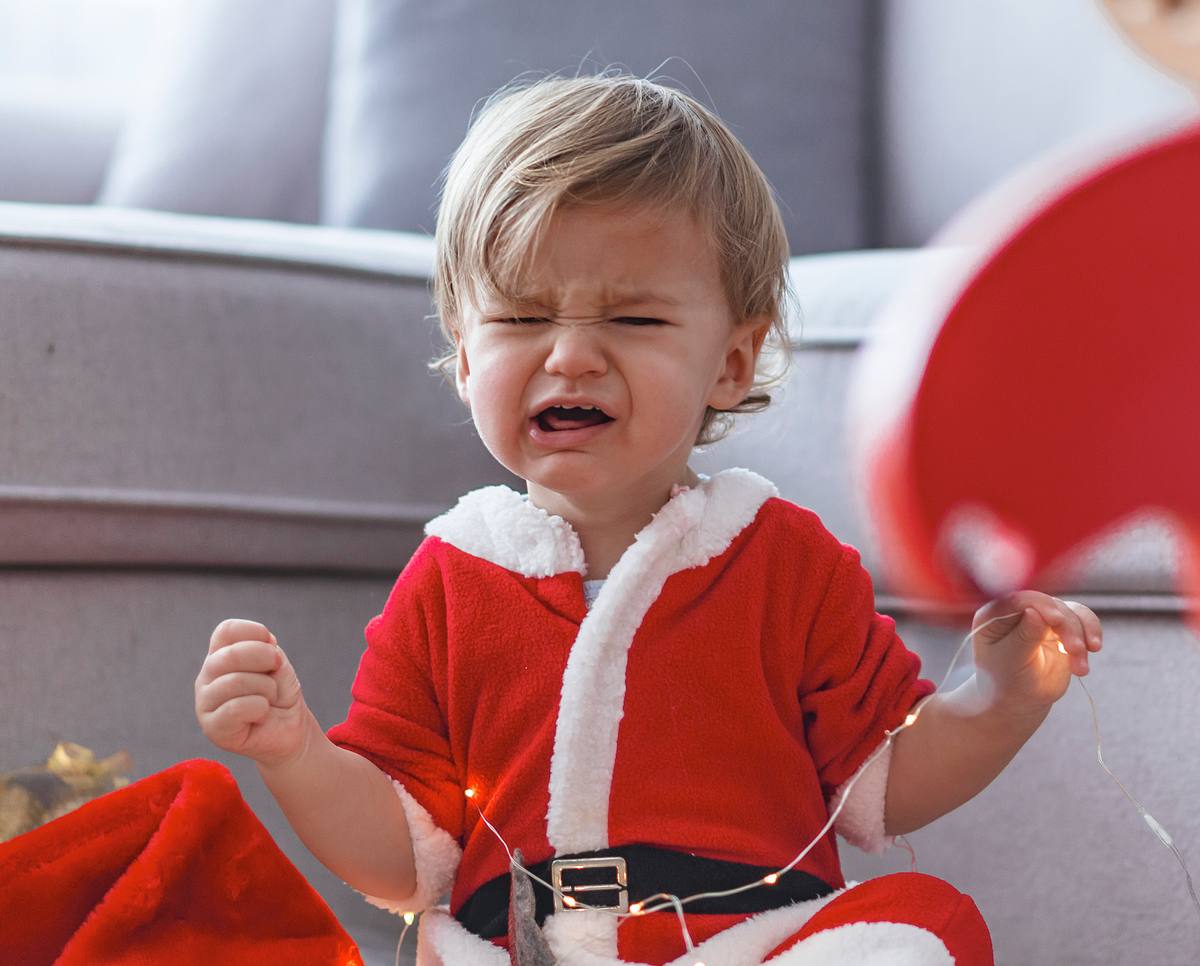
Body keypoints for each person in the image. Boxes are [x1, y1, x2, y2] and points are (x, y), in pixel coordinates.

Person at [194, 73, 1103, 966]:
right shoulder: (448, 581)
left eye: (632, 318)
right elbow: (405, 857)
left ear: (732, 364)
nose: (573, 354)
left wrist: (1000, 698)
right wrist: (295, 752)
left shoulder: (783, 558)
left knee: (912, 934)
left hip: (750, 940)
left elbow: (886, 784)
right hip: (519, 948)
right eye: (518, 315)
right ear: (466, 357)